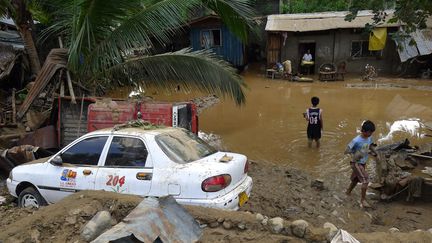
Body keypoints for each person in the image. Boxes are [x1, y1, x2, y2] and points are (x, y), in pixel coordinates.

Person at [344, 120, 377, 208]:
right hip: (356, 163)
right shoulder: (356, 140)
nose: (371, 134)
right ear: (363, 131)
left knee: (355, 180)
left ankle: (348, 192)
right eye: (370, 132)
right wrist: (355, 154)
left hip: (363, 163)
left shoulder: (369, 138)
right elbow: (346, 150)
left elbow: (370, 145)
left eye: (372, 133)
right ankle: (363, 200)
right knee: (365, 181)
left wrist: (375, 152)